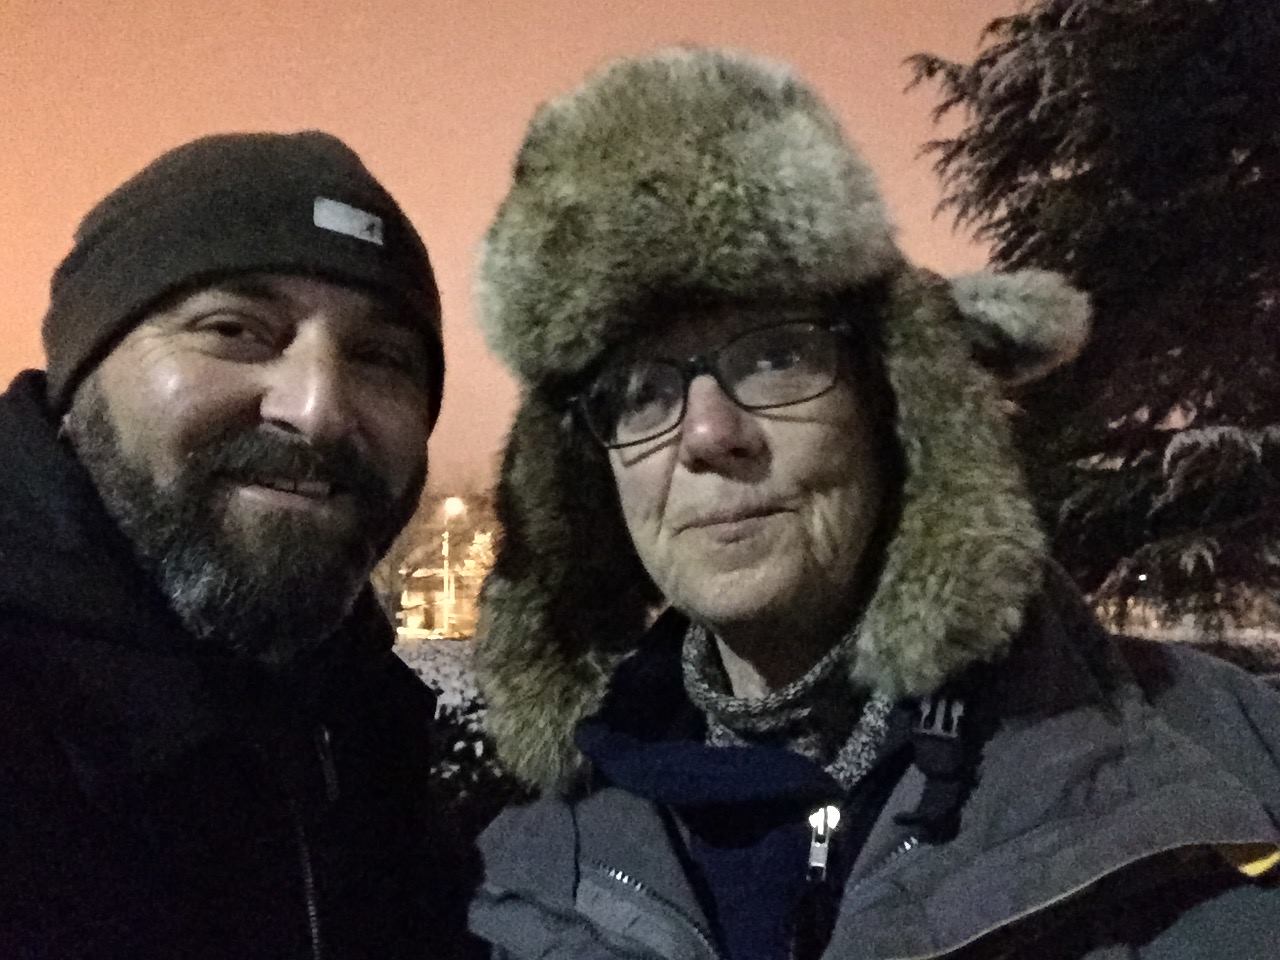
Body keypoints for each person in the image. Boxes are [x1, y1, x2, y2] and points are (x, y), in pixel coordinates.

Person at [466, 48, 1280, 960]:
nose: (706, 435)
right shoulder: (534, 877)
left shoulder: (1236, 766)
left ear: (891, 402)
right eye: (641, 390)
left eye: (775, 356)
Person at [0, 132, 467, 959]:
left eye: (381, 356)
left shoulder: (369, 735)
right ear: (81, 377)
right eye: (236, 330)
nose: (318, 409)